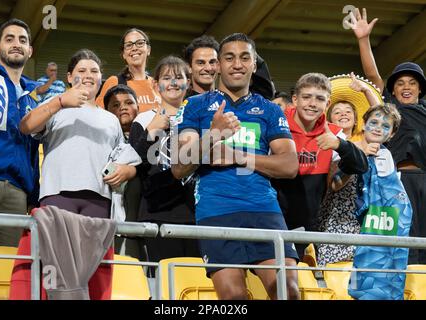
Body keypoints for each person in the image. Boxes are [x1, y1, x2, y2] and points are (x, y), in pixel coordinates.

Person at [172, 33, 300, 300]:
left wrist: (238, 155)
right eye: (229, 58)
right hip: (216, 210)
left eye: (245, 58)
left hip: (264, 210)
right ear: (218, 65)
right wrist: (213, 135)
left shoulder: (270, 110)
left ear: (254, 65)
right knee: (234, 299)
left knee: (287, 292)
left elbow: (289, 166)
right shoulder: (194, 105)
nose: (237, 64)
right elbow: (179, 166)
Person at [18, 49, 139, 299]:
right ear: (70, 76)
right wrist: (60, 101)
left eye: (94, 71)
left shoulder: (110, 119)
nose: (88, 75)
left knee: (91, 273)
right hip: (57, 195)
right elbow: (26, 125)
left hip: (99, 199)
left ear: (101, 79)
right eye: (81, 71)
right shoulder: (55, 107)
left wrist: (127, 170)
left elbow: (123, 158)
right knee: (55, 271)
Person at [347, 7, 426, 263]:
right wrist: (363, 39)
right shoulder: (389, 110)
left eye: (412, 83)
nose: (406, 87)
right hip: (396, 181)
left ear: (420, 89)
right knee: (401, 243)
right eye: (400, 83)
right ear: (392, 89)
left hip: (425, 180)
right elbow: (372, 76)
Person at [271, 73, 368, 259]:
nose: (312, 103)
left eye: (320, 99)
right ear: (295, 99)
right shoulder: (276, 124)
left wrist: (340, 145)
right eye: (306, 97)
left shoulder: (333, 133)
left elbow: (361, 165)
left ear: (328, 103)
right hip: (271, 219)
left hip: (305, 225)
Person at [129, 56, 200, 273]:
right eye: (166, 77)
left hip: (195, 211)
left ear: (188, 83)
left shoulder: (197, 118)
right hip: (157, 212)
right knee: (166, 282)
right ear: (155, 84)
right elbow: (134, 163)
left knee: (196, 282)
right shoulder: (143, 120)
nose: (173, 83)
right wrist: (152, 130)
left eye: (179, 77)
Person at [0, 19, 40, 247]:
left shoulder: (34, 95)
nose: (16, 44)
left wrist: (34, 196)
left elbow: (35, 148)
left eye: (22, 40)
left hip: (17, 189)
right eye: (9, 39)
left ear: (30, 51)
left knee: (5, 270)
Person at [316, 73, 382, 266]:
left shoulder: (367, 139)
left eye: (348, 111)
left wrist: (366, 90)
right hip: (334, 211)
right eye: (337, 112)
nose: (343, 114)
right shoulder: (324, 141)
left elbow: (381, 117)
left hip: (365, 212)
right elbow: (332, 181)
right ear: (329, 120)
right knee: (333, 266)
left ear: (356, 120)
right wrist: (356, 154)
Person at [349, 103, 412, 300]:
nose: (378, 127)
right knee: (364, 286)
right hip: (360, 224)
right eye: (373, 122)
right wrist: (359, 155)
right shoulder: (349, 149)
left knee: (390, 281)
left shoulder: (386, 156)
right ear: (363, 125)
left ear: (392, 134)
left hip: (392, 221)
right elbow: (334, 183)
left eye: (385, 126)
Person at [104, 84, 142, 259]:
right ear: (106, 112)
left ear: (138, 107)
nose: (123, 107)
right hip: (108, 223)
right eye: (116, 105)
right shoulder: (102, 142)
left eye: (129, 102)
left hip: (141, 222)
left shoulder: (149, 138)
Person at [96, 28, 160, 112]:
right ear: (123, 54)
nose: (134, 48)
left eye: (140, 43)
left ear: (148, 50)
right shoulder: (114, 82)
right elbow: (99, 115)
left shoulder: (157, 85)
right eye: (129, 45)